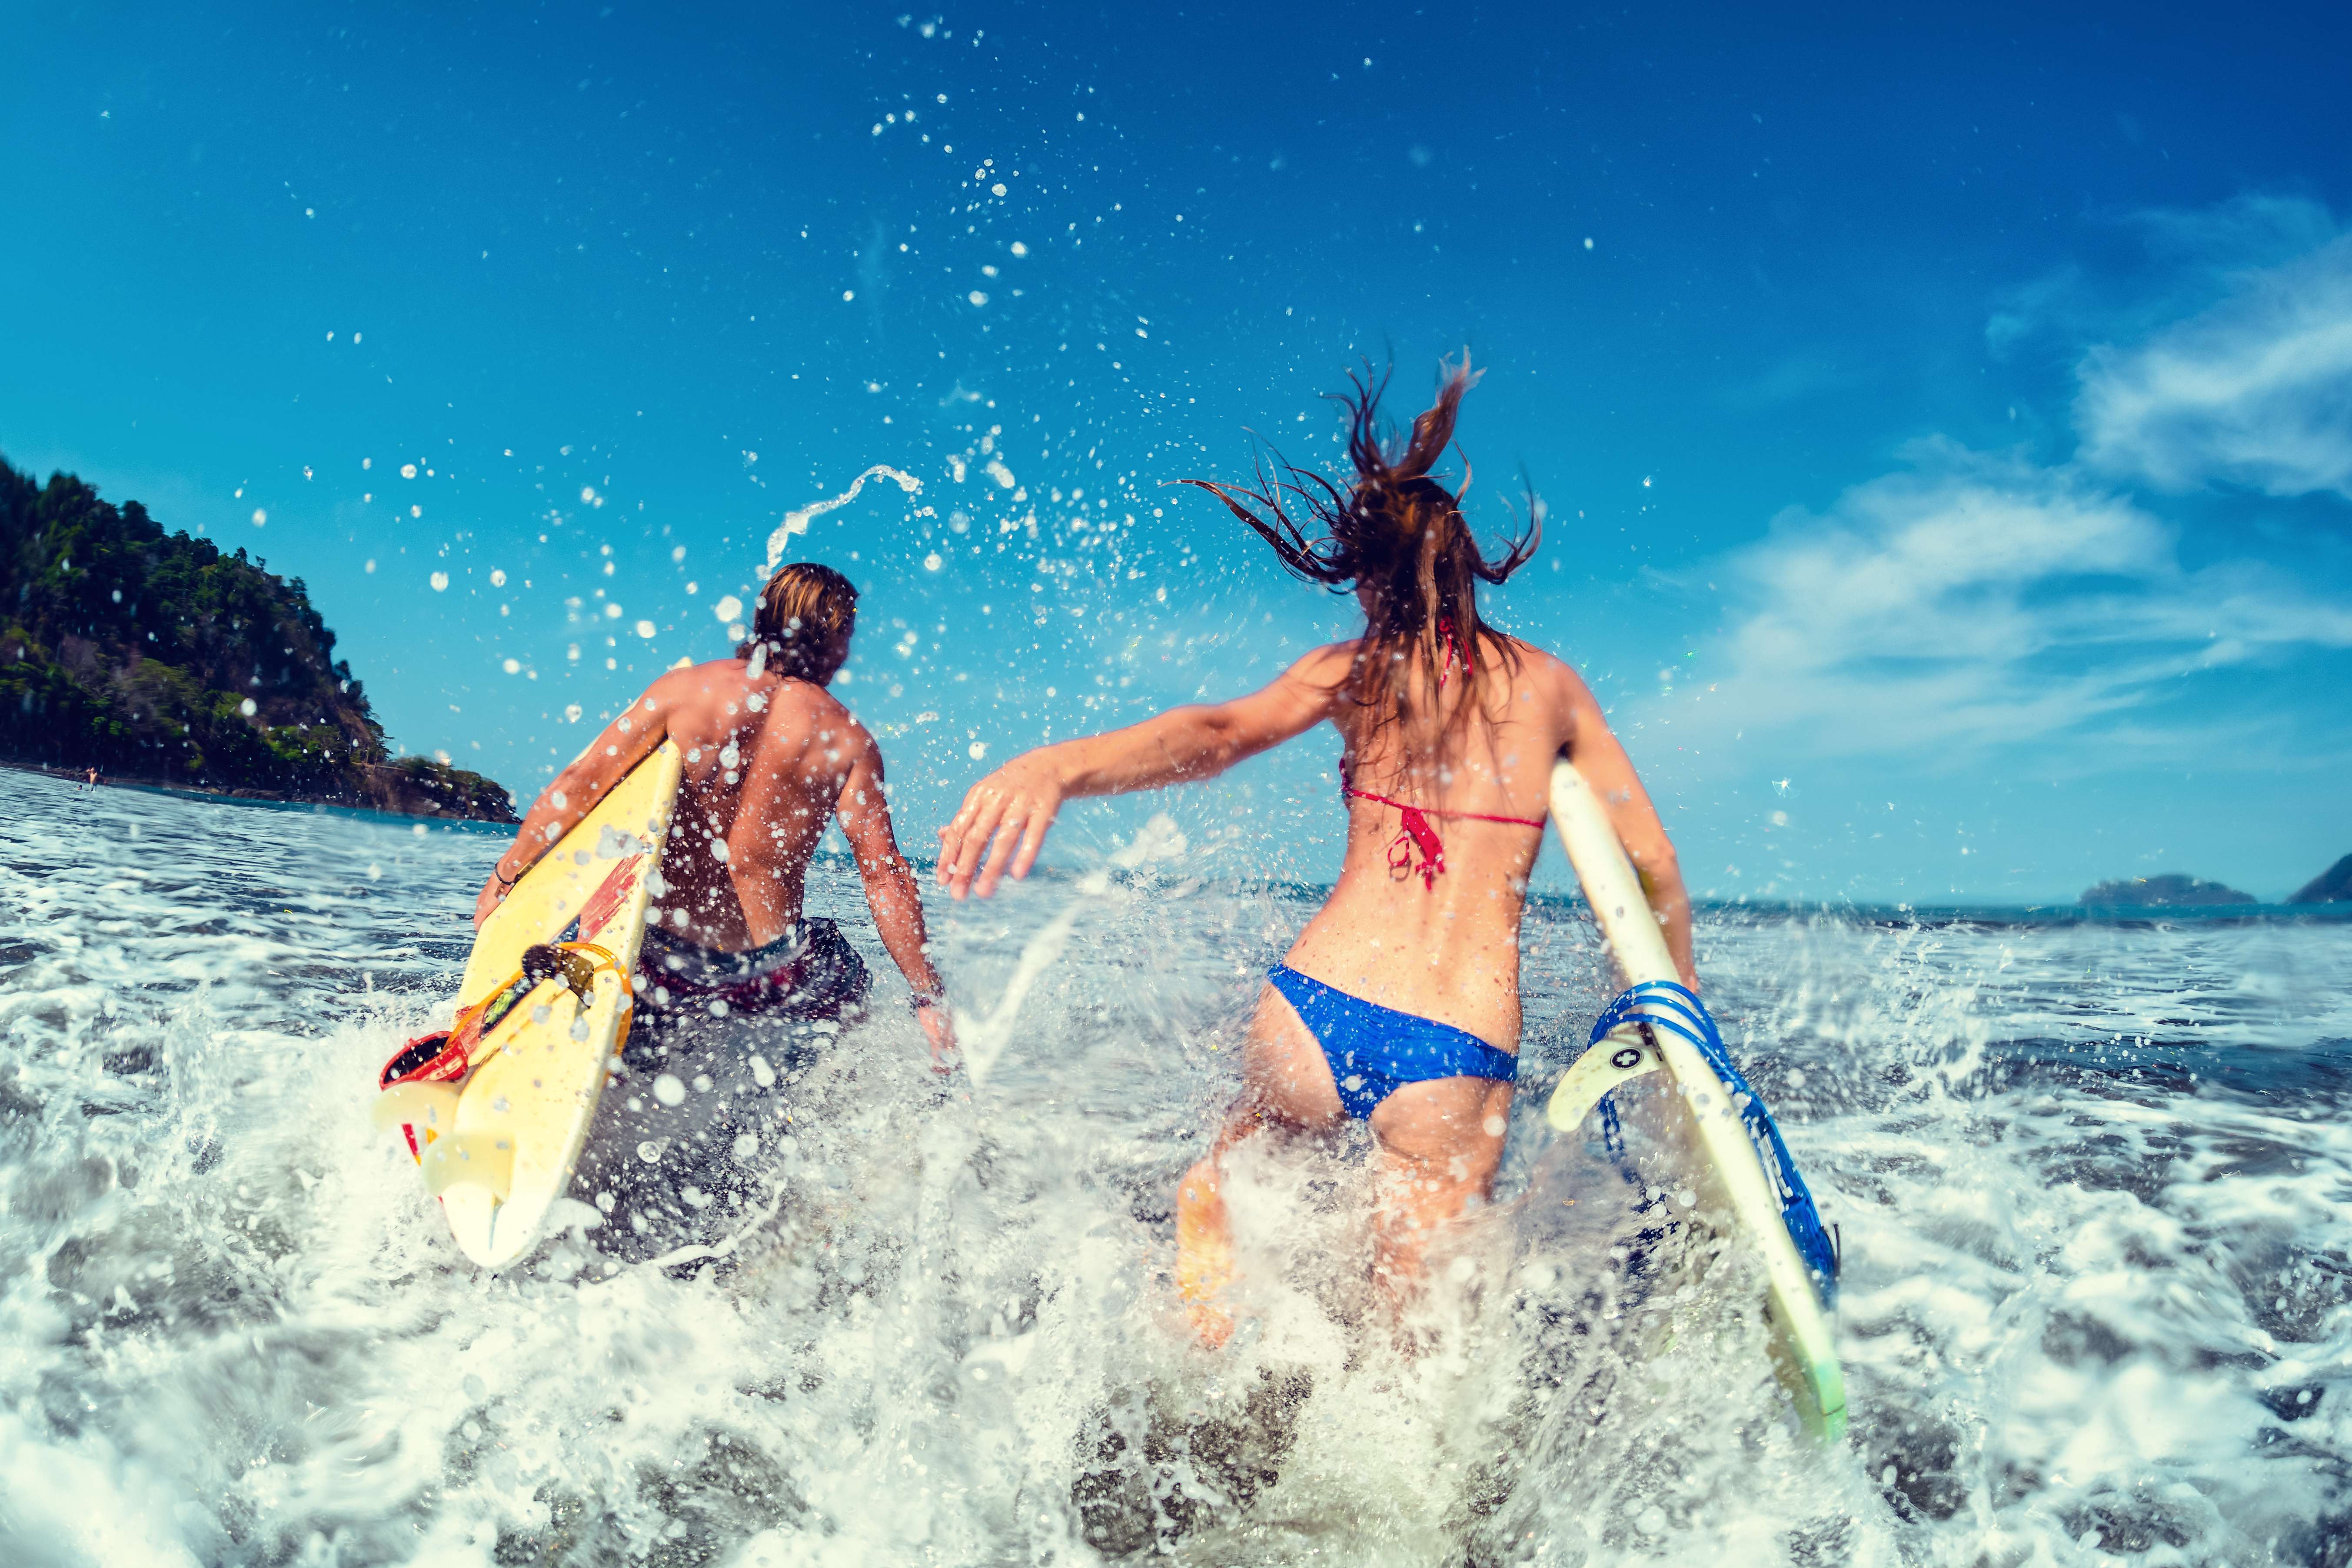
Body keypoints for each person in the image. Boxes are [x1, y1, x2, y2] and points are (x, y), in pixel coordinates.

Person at [935, 356, 1697, 1341]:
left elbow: (1214, 735)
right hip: (1452, 1043)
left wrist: (1058, 767)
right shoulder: (1550, 688)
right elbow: (1650, 864)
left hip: (1310, 1005)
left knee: (1236, 1185)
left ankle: (1202, 1319)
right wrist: (1676, 1004)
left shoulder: (1356, 671)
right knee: (1410, 1351)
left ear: (1374, 576)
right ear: (1468, 567)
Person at [475, 561, 954, 1257]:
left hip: (656, 960)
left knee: (618, 1049)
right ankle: (787, 1154)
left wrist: (509, 876)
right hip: (763, 978)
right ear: (838, 637)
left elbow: (580, 785)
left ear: (763, 617)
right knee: (846, 985)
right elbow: (884, 876)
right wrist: (927, 996)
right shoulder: (847, 741)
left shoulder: (687, 693)